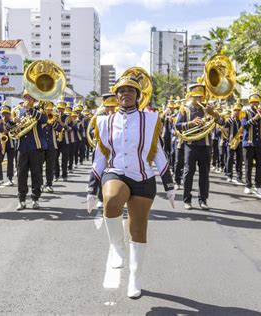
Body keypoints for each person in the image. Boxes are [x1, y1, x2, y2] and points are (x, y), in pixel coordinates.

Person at [87, 74, 175, 298]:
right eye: (121, 90)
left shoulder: (151, 120)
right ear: (116, 96)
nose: (125, 94)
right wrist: (91, 187)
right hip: (116, 172)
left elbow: (158, 154)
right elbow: (100, 156)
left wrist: (169, 184)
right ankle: (117, 247)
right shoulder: (104, 121)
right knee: (112, 200)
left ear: (137, 96)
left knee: (138, 231)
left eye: (131, 91)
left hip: (143, 178)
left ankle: (134, 279)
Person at [175, 83, 222, 210]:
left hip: (206, 145)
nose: (199, 100)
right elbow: (177, 126)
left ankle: (203, 200)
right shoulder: (184, 109)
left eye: (200, 97)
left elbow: (222, 122)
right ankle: (187, 200)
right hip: (190, 145)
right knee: (188, 172)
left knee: (204, 174)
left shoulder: (208, 108)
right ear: (190, 96)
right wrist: (191, 123)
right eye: (196, 97)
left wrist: (213, 114)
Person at [13, 90, 48, 210]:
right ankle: (21, 200)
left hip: (36, 147)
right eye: (25, 97)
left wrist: (30, 110)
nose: (27, 100)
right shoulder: (17, 111)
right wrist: (14, 122)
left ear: (34, 100)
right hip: (22, 148)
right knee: (21, 175)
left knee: (36, 174)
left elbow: (44, 120)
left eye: (30, 98)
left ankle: (35, 199)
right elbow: (8, 128)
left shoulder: (39, 110)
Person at [241, 93, 261, 195]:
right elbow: (244, 125)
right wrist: (255, 118)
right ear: (250, 103)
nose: (255, 104)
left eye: (257, 102)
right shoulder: (244, 112)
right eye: (253, 102)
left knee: (260, 166)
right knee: (248, 166)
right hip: (248, 144)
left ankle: (258, 186)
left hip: (260, 144)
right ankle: (248, 185)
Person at [41, 101, 62, 193]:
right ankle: (40, 184)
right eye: (47, 109)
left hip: (52, 146)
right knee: (39, 167)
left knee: (50, 166)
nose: (48, 111)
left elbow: (60, 128)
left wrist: (53, 122)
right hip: (41, 146)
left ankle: (49, 184)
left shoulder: (55, 118)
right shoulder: (40, 118)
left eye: (50, 109)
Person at [224, 103, 244, 184]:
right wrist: (232, 116)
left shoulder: (243, 119)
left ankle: (239, 176)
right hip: (231, 141)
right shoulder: (230, 119)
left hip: (240, 142)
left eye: (238, 110)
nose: (237, 112)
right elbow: (225, 126)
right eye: (235, 110)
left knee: (239, 160)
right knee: (230, 158)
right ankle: (229, 175)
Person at [1, 103, 16, 185]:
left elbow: (14, 132)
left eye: (6, 113)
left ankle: (10, 178)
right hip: (1, 145)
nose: (4, 115)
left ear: (9, 114)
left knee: (10, 162)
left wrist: (8, 128)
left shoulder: (12, 122)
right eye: (3, 113)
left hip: (10, 144)